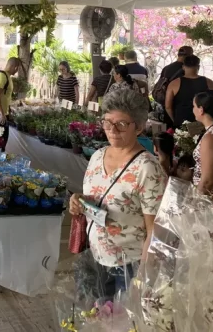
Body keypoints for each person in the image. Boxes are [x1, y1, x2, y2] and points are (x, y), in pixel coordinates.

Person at [69, 89, 167, 299]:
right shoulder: (97, 156)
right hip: (95, 258)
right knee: (96, 319)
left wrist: (143, 277)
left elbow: (155, 230)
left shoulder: (147, 168)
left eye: (122, 124)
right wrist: (78, 200)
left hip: (129, 266)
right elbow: (97, 196)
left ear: (139, 127)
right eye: (107, 122)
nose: (112, 130)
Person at [165, 55, 213, 129]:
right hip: (203, 123)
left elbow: (168, 107)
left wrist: (175, 120)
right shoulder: (209, 83)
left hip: (182, 123)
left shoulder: (174, 84)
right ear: (198, 67)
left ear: (183, 67)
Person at [0, 58, 21, 151]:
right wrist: (1, 113)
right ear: (15, 67)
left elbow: (5, 96)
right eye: (17, 68)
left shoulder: (7, 76)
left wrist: (7, 111)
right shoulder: (1, 76)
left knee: (1, 142)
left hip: (0, 114)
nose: (17, 71)